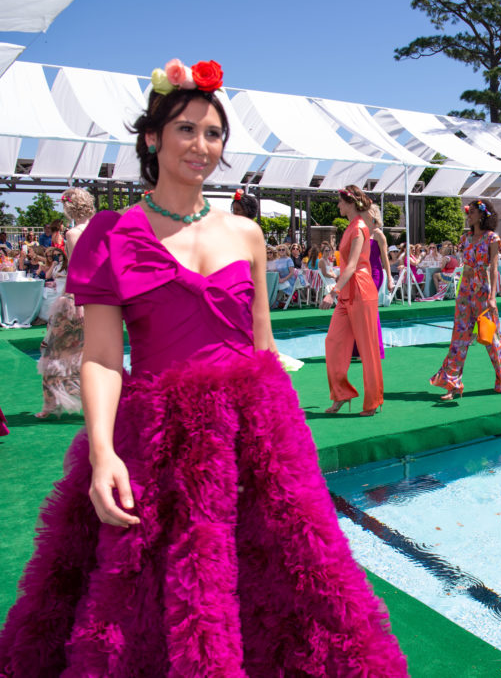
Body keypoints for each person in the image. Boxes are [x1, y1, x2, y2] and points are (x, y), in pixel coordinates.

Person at [0, 59, 406, 673]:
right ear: (152, 138)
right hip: (158, 436)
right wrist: (104, 453)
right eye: (185, 129)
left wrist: (288, 444)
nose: (201, 145)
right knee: (154, 594)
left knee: (291, 582)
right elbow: (105, 358)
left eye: (213, 133)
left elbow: (264, 344)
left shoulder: (245, 233)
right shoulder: (108, 237)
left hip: (252, 431)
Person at [430, 199, 501, 399]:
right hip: (465, 289)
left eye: (472, 212)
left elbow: (493, 268)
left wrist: (493, 297)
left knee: (491, 337)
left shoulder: (492, 238)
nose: (469, 215)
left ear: (482, 214)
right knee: (459, 337)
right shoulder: (465, 238)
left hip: (483, 289)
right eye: (469, 212)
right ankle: (453, 384)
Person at [320, 185, 384, 415]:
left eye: (339, 202)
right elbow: (347, 265)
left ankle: (373, 401)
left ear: (349, 203)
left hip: (361, 291)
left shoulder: (359, 229)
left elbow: (355, 265)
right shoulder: (349, 228)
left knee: (368, 350)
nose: (337, 205)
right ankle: (341, 394)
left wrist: (332, 291)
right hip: (348, 292)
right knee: (333, 343)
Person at [35, 188, 96, 419]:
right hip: (99, 300)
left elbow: (77, 271)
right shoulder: (103, 230)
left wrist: (76, 302)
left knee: (53, 350)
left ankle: (50, 404)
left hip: (76, 298)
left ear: (69, 207)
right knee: (89, 353)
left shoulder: (74, 233)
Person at [351, 203, 390, 360]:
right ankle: (358, 349)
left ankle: (372, 349)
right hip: (361, 274)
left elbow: (385, 258)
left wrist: (390, 278)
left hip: (375, 274)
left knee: (369, 309)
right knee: (360, 310)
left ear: (372, 215)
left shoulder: (379, 235)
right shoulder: (361, 232)